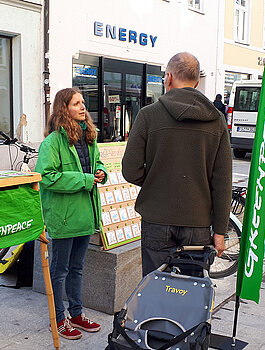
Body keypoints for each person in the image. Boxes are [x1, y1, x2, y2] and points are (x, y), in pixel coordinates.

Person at [122, 52, 232, 277]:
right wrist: (220, 230)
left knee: (155, 287)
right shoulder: (216, 121)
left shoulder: (148, 115)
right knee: (191, 290)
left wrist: (156, 181)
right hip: (198, 222)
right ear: (197, 81)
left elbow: (130, 169)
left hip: (157, 218)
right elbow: (222, 181)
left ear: (169, 77)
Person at [35, 88, 108, 340]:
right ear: (63, 108)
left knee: (77, 269)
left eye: (83, 103)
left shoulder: (89, 137)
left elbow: (97, 162)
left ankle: (76, 314)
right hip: (64, 217)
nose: (82, 107)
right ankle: (58, 320)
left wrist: (100, 172)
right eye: (76, 103)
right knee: (60, 271)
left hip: (86, 214)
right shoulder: (52, 142)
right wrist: (87, 179)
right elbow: (48, 177)